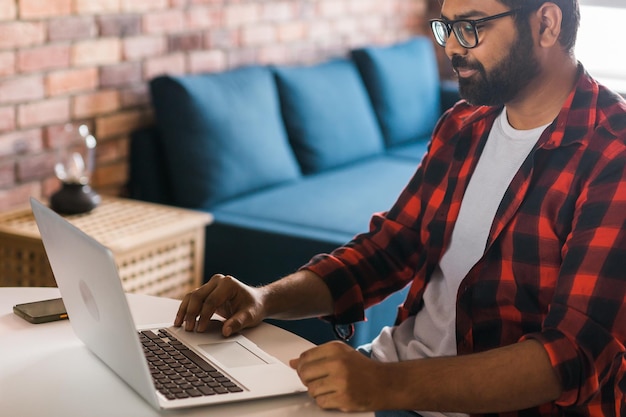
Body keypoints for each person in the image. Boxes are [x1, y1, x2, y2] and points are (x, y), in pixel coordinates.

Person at [174, 0, 626, 415]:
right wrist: (264, 297)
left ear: (546, 24)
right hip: (391, 382)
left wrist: (382, 385)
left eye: (470, 27)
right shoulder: (463, 126)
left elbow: (570, 355)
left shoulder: (612, 153)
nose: (451, 46)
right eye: (446, 27)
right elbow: (389, 248)